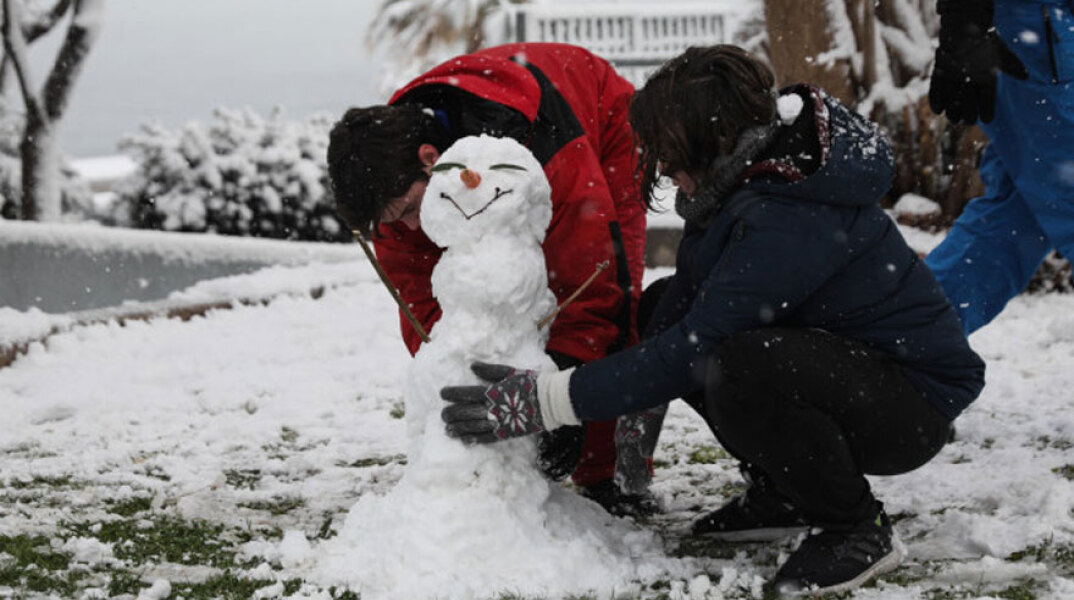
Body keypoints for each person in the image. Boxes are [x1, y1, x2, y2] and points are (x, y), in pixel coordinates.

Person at [439, 45, 986, 596]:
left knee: (741, 364)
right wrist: (603, 435)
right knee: (659, 308)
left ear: (711, 138)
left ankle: (855, 528)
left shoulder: (787, 212)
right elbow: (677, 325)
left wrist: (546, 401)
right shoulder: (746, 180)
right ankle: (785, 490)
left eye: (670, 154)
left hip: (911, 404)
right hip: (847, 370)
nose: (665, 169)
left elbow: (693, 351)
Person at [326, 42, 662, 515]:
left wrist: (563, 398)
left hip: (598, 127)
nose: (407, 230)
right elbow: (429, 319)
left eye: (408, 212)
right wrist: (459, 378)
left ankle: (611, 474)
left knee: (616, 301)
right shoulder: (389, 187)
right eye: (390, 224)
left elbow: (588, 279)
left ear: (429, 158)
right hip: (480, 156)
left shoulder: (537, 144)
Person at [925, 0, 1074, 334]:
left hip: (1049, 31)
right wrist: (964, 26)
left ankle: (896, 339)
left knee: (1015, 218)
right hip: (1040, 28)